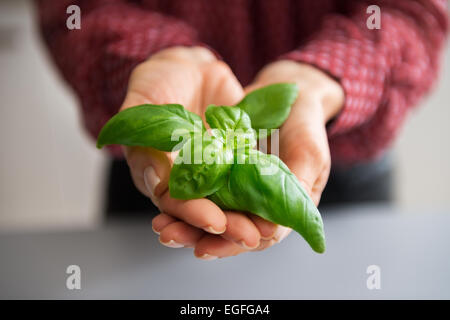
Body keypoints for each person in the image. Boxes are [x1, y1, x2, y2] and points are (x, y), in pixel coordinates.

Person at [35, 0, 448, 259]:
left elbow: (416, 11)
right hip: (158, 170)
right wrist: (152, 58)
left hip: (343, 165)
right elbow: (71, 9)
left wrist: (323, 78)